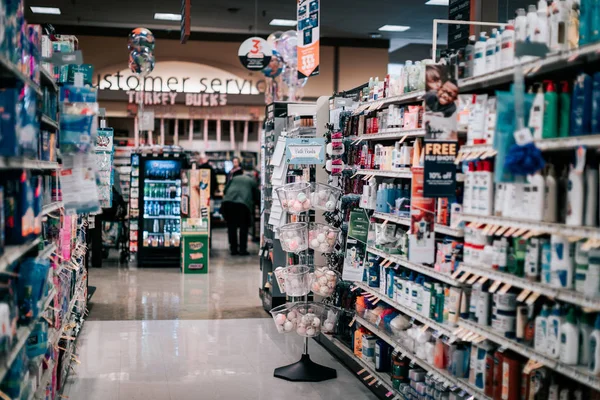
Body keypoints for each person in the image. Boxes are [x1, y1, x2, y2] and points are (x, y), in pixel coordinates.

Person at [221, 166, 259, 255]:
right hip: (243, 205)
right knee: (243, 228)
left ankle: (233, 249)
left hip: (228, 204)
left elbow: (225, 190)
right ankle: (242, 249)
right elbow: (257, 194)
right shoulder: (250, 180)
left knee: (231, 227)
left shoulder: (232, 179)